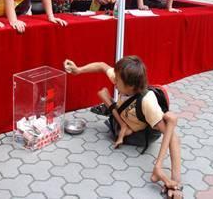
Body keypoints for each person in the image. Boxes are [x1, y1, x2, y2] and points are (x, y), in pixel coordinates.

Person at [64, 56, 183, 199]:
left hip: (140, 134)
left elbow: (174, 138)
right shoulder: (125, 79)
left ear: (131, 86)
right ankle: (122, 123)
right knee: (104, 94)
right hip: (126, 116)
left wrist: (175, 182)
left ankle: (125, 128)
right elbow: (102, 65)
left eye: (117, 80)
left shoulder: (147, 102)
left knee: (168, 119)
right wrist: (78, 70)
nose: (114, 81)